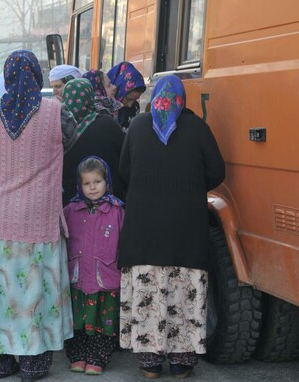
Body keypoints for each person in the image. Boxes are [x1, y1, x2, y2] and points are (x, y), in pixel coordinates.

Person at [0, 50, 77, 382]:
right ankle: (33, 361)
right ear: (37, 76)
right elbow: (70, 141)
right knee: (34, 288)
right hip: (38, 215)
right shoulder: (56, 112)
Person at [117, 75, 225, 379]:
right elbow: (217, 171)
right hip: (186, 230)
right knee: (184, 290)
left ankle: (150, 362)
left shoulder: (138, 126)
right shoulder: (199, 128)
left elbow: (124, 169)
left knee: (149, 288)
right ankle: (181, 362)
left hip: (143, 231)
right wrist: (191, 188)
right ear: (182, 99)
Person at [63, 156, 124, 375]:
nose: (92, 188)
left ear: (106, 182)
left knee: (103, 320)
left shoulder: (117, 210)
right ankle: (78, 355)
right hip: (77, 278)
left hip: (105, 278)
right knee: (77, 319)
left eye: (97, 182)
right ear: (80, 185)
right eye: (87, 184)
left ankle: (98, 357)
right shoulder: (71, 209)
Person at [61, 78, 126, 205]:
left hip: (70, 204)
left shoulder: (60, 127)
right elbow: (124, 160)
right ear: (91, 98)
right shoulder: (109, 124)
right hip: (108, 205)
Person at [106, 61, 146, 130]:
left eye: (134, 100)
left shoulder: (134, 108)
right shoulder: (104, 111)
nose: (130, 105)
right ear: (118, 90)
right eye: (128, 99)